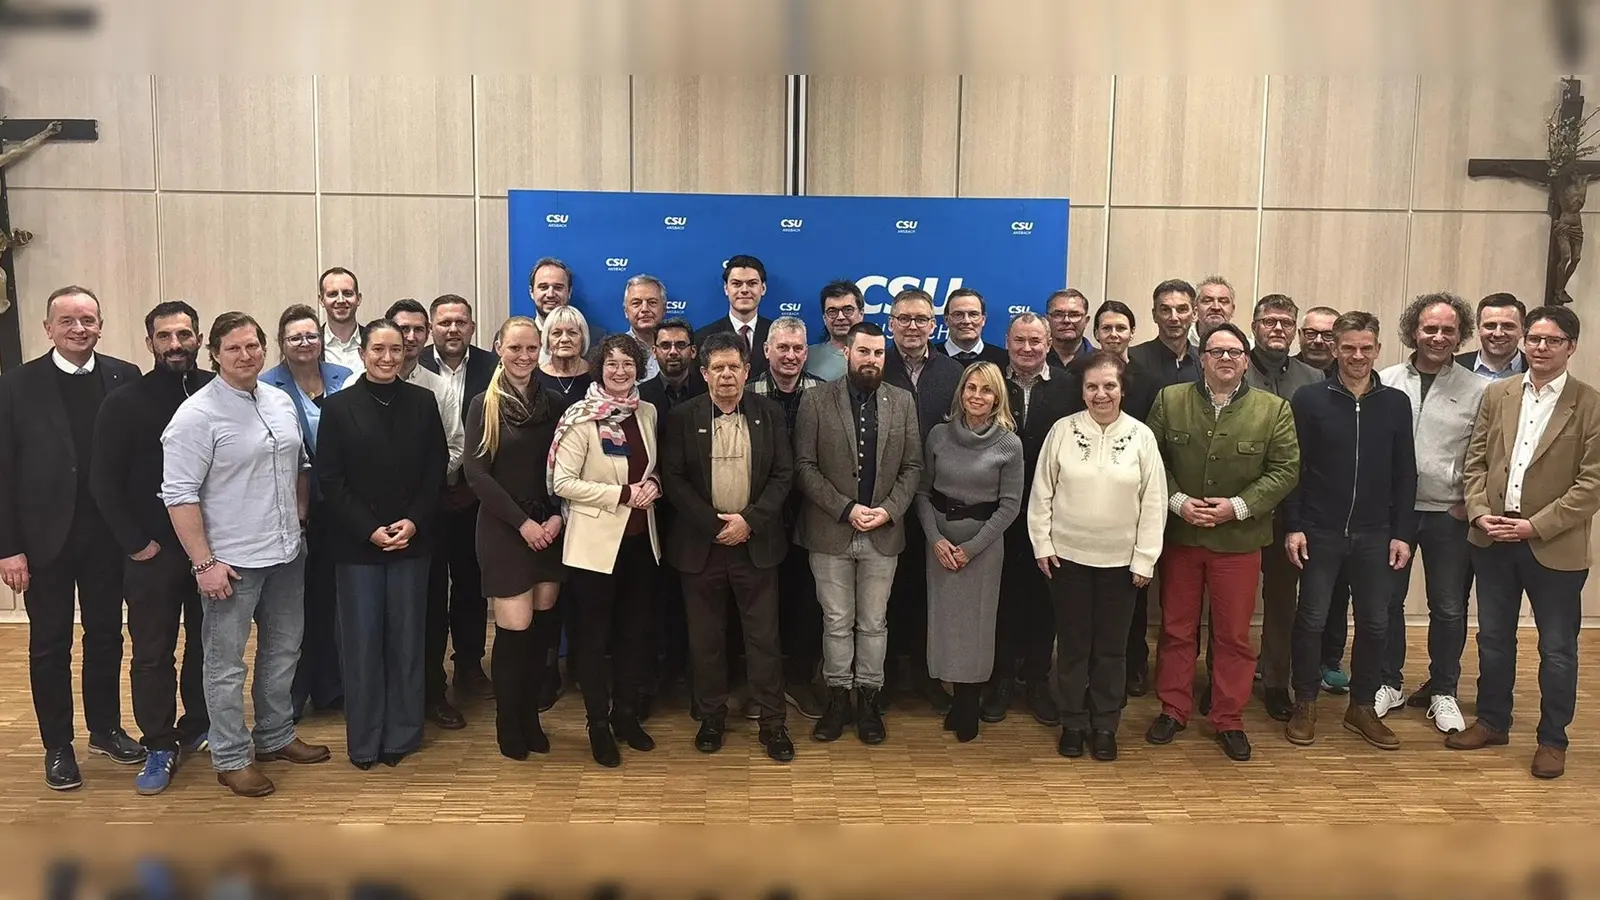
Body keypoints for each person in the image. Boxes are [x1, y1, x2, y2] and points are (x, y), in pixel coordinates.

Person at [161, 312, 331, 798]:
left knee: (283, 651)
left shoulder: (279, 400)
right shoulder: (196, 415)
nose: (246, 355)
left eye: (253, 346)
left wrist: (299, 519)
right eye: (233, 348)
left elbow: (299, 462)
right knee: (225, 663)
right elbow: (179, 495)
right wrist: (204, 563)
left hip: (284, 551)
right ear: (213, 353)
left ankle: (275, 735)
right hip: (231, 563)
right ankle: (231, 757)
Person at [0, 285, 143, 791]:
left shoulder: (126, 376)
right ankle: (58, 746)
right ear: (48, 328)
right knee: (49, 645)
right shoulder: (16, 384)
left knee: (106, 637)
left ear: (101, 324)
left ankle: (105, 729)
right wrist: (7, 546)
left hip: (108, 539)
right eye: (67, 321)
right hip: (44, 543)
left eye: (88, 319)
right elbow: (4, 469)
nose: (79, 329)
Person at [1452, 305, 1600, 780]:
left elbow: (1591, 484)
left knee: (1557, 648)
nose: (1539, 347)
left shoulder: (1591, 404)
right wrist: (1478, 511)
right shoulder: (1499, 394)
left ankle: (1553, 739)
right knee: (1494, 639)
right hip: (1493, 539)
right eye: (1534, 339)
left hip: (1552, 545)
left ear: (1570, 346)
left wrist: (1535, 525)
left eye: (1551, 340)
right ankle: (1493, 721)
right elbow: (1475, 462)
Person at [1144, 322, 1299, 762]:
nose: (1225, 359)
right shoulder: (1170, 401)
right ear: (1202, 358)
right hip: (1183, 537)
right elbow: (1151, 460)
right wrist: (1176, 502)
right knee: (1176, 629)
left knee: (1232, 636)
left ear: (1246, 360)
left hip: (1240, 539)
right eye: (1216, 352)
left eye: (1234, 352)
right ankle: (1173, 709)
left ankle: (1228, 718)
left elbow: (1285, 471)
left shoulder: (1274, 410)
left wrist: (1238, 506)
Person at [89, 300, 213, 795]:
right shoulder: (124, 402)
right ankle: (160, 741)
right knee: (153, 652)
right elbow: (103, 482)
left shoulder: (217, 391)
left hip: (210, 551)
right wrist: (137, 544)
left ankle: (199, 724)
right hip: (152, 554)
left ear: (200, 339)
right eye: (165, 337)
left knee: (210, 645)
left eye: (184, 335)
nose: (176, 345)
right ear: (150, 344)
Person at [314, 319, 447, 770]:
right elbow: (330, 481)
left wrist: (412, 522)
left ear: (407, 351)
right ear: (363, 353)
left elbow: (436, 472)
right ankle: (365, 739)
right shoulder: (338, 407)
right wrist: (369, 529)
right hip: (358, 545)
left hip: (413, 539)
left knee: (408, 641)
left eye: (396, 349)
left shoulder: (423, 402)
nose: (388, 358)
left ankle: (404, 734)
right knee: (362, 644)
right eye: (378, 350)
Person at [1283, 312, 1417, 752]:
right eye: (1348, 348)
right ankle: (1305, 702)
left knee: (1376, 623)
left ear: (1378, 350)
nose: (1357, 356)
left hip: (1377, 532)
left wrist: (1403, 533)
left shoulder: (1395, 402)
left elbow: (1404, 473)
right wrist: (1295, 525)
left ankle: (1361, 707)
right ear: (1334, 349)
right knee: (1313, 618)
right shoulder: (1309, 398)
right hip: (1319, 529)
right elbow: (1294, 469)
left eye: (1366, 348)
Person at [661, 332, 797, 762]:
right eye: (716, 368)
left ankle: (773, 723)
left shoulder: (769, 412)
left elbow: (783, 474)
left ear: (746, 371)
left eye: (733, 368)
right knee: (706, 639)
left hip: (755, 543)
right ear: (703, 373)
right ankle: (711, 716)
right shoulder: (683, 416)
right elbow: (673, 478)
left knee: (763, 638)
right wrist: (713, 524)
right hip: (701, 545)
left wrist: (749, 522)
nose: (725, 376)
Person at [1030, 351, 1166, 761]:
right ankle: (1073, 721)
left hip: (1122, 566)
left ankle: (1105, 724)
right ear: (1082, 391)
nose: (1101, 394)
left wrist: (1145, 558)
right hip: (1067, 559)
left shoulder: (1141, 436)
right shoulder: (1062, 431)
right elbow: (1041, 493)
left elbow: (1154, 502)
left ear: (1123, 389)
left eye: (1109, 385)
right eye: (1092, 386)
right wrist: (1043, 544)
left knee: (1111, 649)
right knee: (1072, 646)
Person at [794, 322, 923, 744]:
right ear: (847, 353)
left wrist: (887, 511)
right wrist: (846, 508)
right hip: (830, 531)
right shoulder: (816, 400)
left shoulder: (902, 401)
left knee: (873, 623)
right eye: (864, 352)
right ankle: (837, 700)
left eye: (878, 354)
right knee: (836, 621)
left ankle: (868, 700)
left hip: (883, 534)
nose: (871, 360)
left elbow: (913, 468)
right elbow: (804, 468)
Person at [549, 334, 663, 768]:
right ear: (599, 369)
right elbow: (562, 483)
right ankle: (598, 724)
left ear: (639, 368)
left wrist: (653, 485)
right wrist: (620, 493)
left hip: (639, 544)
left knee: (635, 636)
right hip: (595, 549)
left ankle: (626, 716)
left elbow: (653, 468)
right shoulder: (580, 417)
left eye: (628, 364)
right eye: (612, 364)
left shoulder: (647, 412)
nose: (620, 371)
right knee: (594, 641)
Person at [1376, 293, 1485, 736]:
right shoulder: (1385, 380)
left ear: (1461, 335)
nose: (1438, 337)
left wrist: (1470, 501)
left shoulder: (1478, 390)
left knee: (1447, 606)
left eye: (1448, 329)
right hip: (1392, 514)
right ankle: (1388, 681)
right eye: (1429, 328)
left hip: (1448, 514)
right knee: (1386, 603)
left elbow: (1485, 453)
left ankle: (1444, 690)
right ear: (1413, 331)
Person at [463, 317, 569, 760]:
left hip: (550, 531)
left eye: (531, 349)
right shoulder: (482, 405)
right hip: (506, 532)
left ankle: (531, 718)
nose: (524, 357)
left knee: (541, 634)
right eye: (515, 349)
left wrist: (557, 521)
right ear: (498, 349)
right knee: (514, 632)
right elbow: (476, 474)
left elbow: (568, 469)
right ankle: (510, 723)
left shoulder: (556, 404)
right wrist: (523, 524)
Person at [915, 362, 1024, 742]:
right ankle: (951, 693)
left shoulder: (1009, 444)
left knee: (976, 626)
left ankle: (968, 704)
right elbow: (922, 493)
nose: (977, 396)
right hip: (940, 542)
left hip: (983, 546)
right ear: (960, 392)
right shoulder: (938, 436)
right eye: (971, 388)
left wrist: (972, 548)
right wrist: (935, 540)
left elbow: (1010, 506)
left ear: (998, 398)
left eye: (986, 390)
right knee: (944, 623)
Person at [261, 304, 354, 723]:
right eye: (294, 337)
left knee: (333, 601)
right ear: (281, 343)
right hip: (291, 511)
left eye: (311, 336)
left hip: (341, 507)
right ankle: (293, 694)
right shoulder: (266, 386)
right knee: (293, 608)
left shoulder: (343, 378)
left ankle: (331, 686)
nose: (304, 343)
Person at [1242, 294, 1326, 722]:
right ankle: (1228, 682)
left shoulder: (1313, 378)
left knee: (1281, 602)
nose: (1277, 329)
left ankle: (1276, 681)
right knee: (1230, 603)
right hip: (1240, 508)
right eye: (1269, 321)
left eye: (1285, 323)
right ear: (1254, 325)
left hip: (1291, 510)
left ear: (1295, 330)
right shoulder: (1235, 366)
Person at [882, 288, 964, 714]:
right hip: (886, 498)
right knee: (892, 591)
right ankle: (891, 676)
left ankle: (928, 675)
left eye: (921, 319)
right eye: (904, 319)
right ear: (890, 323)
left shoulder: (952, 372)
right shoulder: (877, 365)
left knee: (930, 591)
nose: (912, 327)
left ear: (935, 325)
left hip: (937, 499)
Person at [995, 313, 1078, 725]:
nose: (1027, 349)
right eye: (1019, 340)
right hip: (998, 513)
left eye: (1035, 341)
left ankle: (1037, 680)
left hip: (1053, 512)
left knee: (1045, 601)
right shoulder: (992, 381)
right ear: (1006, 341)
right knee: (1004, 598)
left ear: (1048, 343)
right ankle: (1002, 677)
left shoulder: (1068, 386)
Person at [419, 295, 498, 716]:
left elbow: (499, 432)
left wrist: (471, 485)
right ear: (432, 327)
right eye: (444, 322)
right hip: (426, 505)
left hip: (474, 500)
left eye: (461, 322)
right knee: (432, 592)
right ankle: (431, 677)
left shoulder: (492, 367)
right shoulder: (413, 365)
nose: (453, 329)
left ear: (472, 327)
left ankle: (469, 664)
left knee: (470, 588)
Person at [747, 318, 827, 718]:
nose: (791, 355)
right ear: (766, 351)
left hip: (812, 516)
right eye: (782, 348)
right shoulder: (747, 394)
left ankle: (799, 679)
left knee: (806, 602)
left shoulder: (826, 394)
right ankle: (758, 683)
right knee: (759, 605)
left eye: (798, 348)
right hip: (759, 518)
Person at [694, 254, 773, 378]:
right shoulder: (702, 338)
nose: (744, 290)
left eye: (752, 283)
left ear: (763, 288)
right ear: (726, 289)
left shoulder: (777, 335)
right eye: (736, 284)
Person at [1129, 279, 1201, 390]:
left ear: (1195, 314)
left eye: (1182, 309)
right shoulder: (1133, 359)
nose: (1174, 318)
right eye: (1165, 310)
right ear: (1154, 315)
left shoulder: (1204, 360)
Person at [638, 317, 707, 413]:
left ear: (693, 351)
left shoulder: (708, 390)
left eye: (681, 345)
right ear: (654, 352)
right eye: (665, 345)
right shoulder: (640, 396)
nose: (673, 352)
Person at [1456, 292, 1527, 380]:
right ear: (1479, 329)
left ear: (1523, 330)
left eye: (1508, 326)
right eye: (1490, 326)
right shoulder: (1453, 367)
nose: (1498, 334)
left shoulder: (1536, 371)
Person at [536, 304, 595, 407]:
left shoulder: (597, 376)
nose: (564, 339)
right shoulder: (534, 379)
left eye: (572, 333)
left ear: (583, 338)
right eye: (556, 333)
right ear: (547, 339)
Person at [805, 280, 864, 381]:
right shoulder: (805, 356)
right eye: (832, 311)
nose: (840, 317)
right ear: (824, 318)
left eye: (848, 310)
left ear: (861, 314)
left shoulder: (878, 357)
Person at [935, 288, 1008, 367]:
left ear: (983, 319)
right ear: (946, 320)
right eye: (958, 314)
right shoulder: (929, 358)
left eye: (973, 314)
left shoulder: (1004, 360)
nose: (966, 321)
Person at [621, 274, 665, 382]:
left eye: (652, 302)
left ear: (664, 309)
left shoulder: (678, 349)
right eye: (636, 303)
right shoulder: (614, 350)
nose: (644, 309)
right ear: (626, 311)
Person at [318, 267, 364, 370]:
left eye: (347, 293)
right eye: (332, 294)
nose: (341, 300)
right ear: (321, 300)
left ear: (358, 299)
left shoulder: (373, 340)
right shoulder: (311, 344)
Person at [1044, 289, 1096, 370]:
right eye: (1058, 314)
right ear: (1047, 320)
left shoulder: (1101, 361)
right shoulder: (1034, 359)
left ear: (1086, 321)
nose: (1066, 321)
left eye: (1074, 315)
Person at [1295, 306, 1340, 374]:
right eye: (1311, 333)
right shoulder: (1281, 370)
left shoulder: (1350, 374)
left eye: (1328, 335)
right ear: (1299, 335)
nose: (1318, 341)